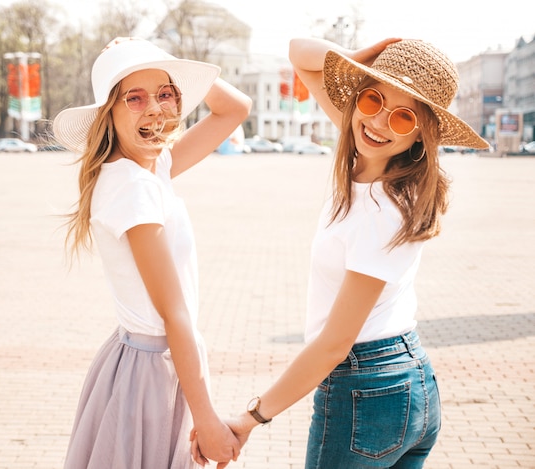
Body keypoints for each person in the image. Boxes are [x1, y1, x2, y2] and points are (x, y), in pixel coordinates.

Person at [192, 38, 489, 468]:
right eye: (374, 98)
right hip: (411, 381)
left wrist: (250, 418)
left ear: (421, 134)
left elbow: (334, 345)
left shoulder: (381, 211)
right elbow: (299, 54)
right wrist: (372, 54)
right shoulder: (368, 149)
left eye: (404, 116)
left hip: (367, 391)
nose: (381, 122)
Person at [52, 36, 251, 468]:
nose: (156, 110)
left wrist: (163, 60)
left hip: (145, 362)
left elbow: (235, 108)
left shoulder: (145, 166)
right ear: (111, 112)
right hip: (150, 373)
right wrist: (207, 419)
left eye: (165, 94)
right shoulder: (133, 187)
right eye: (135, 98)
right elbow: (174, 313)